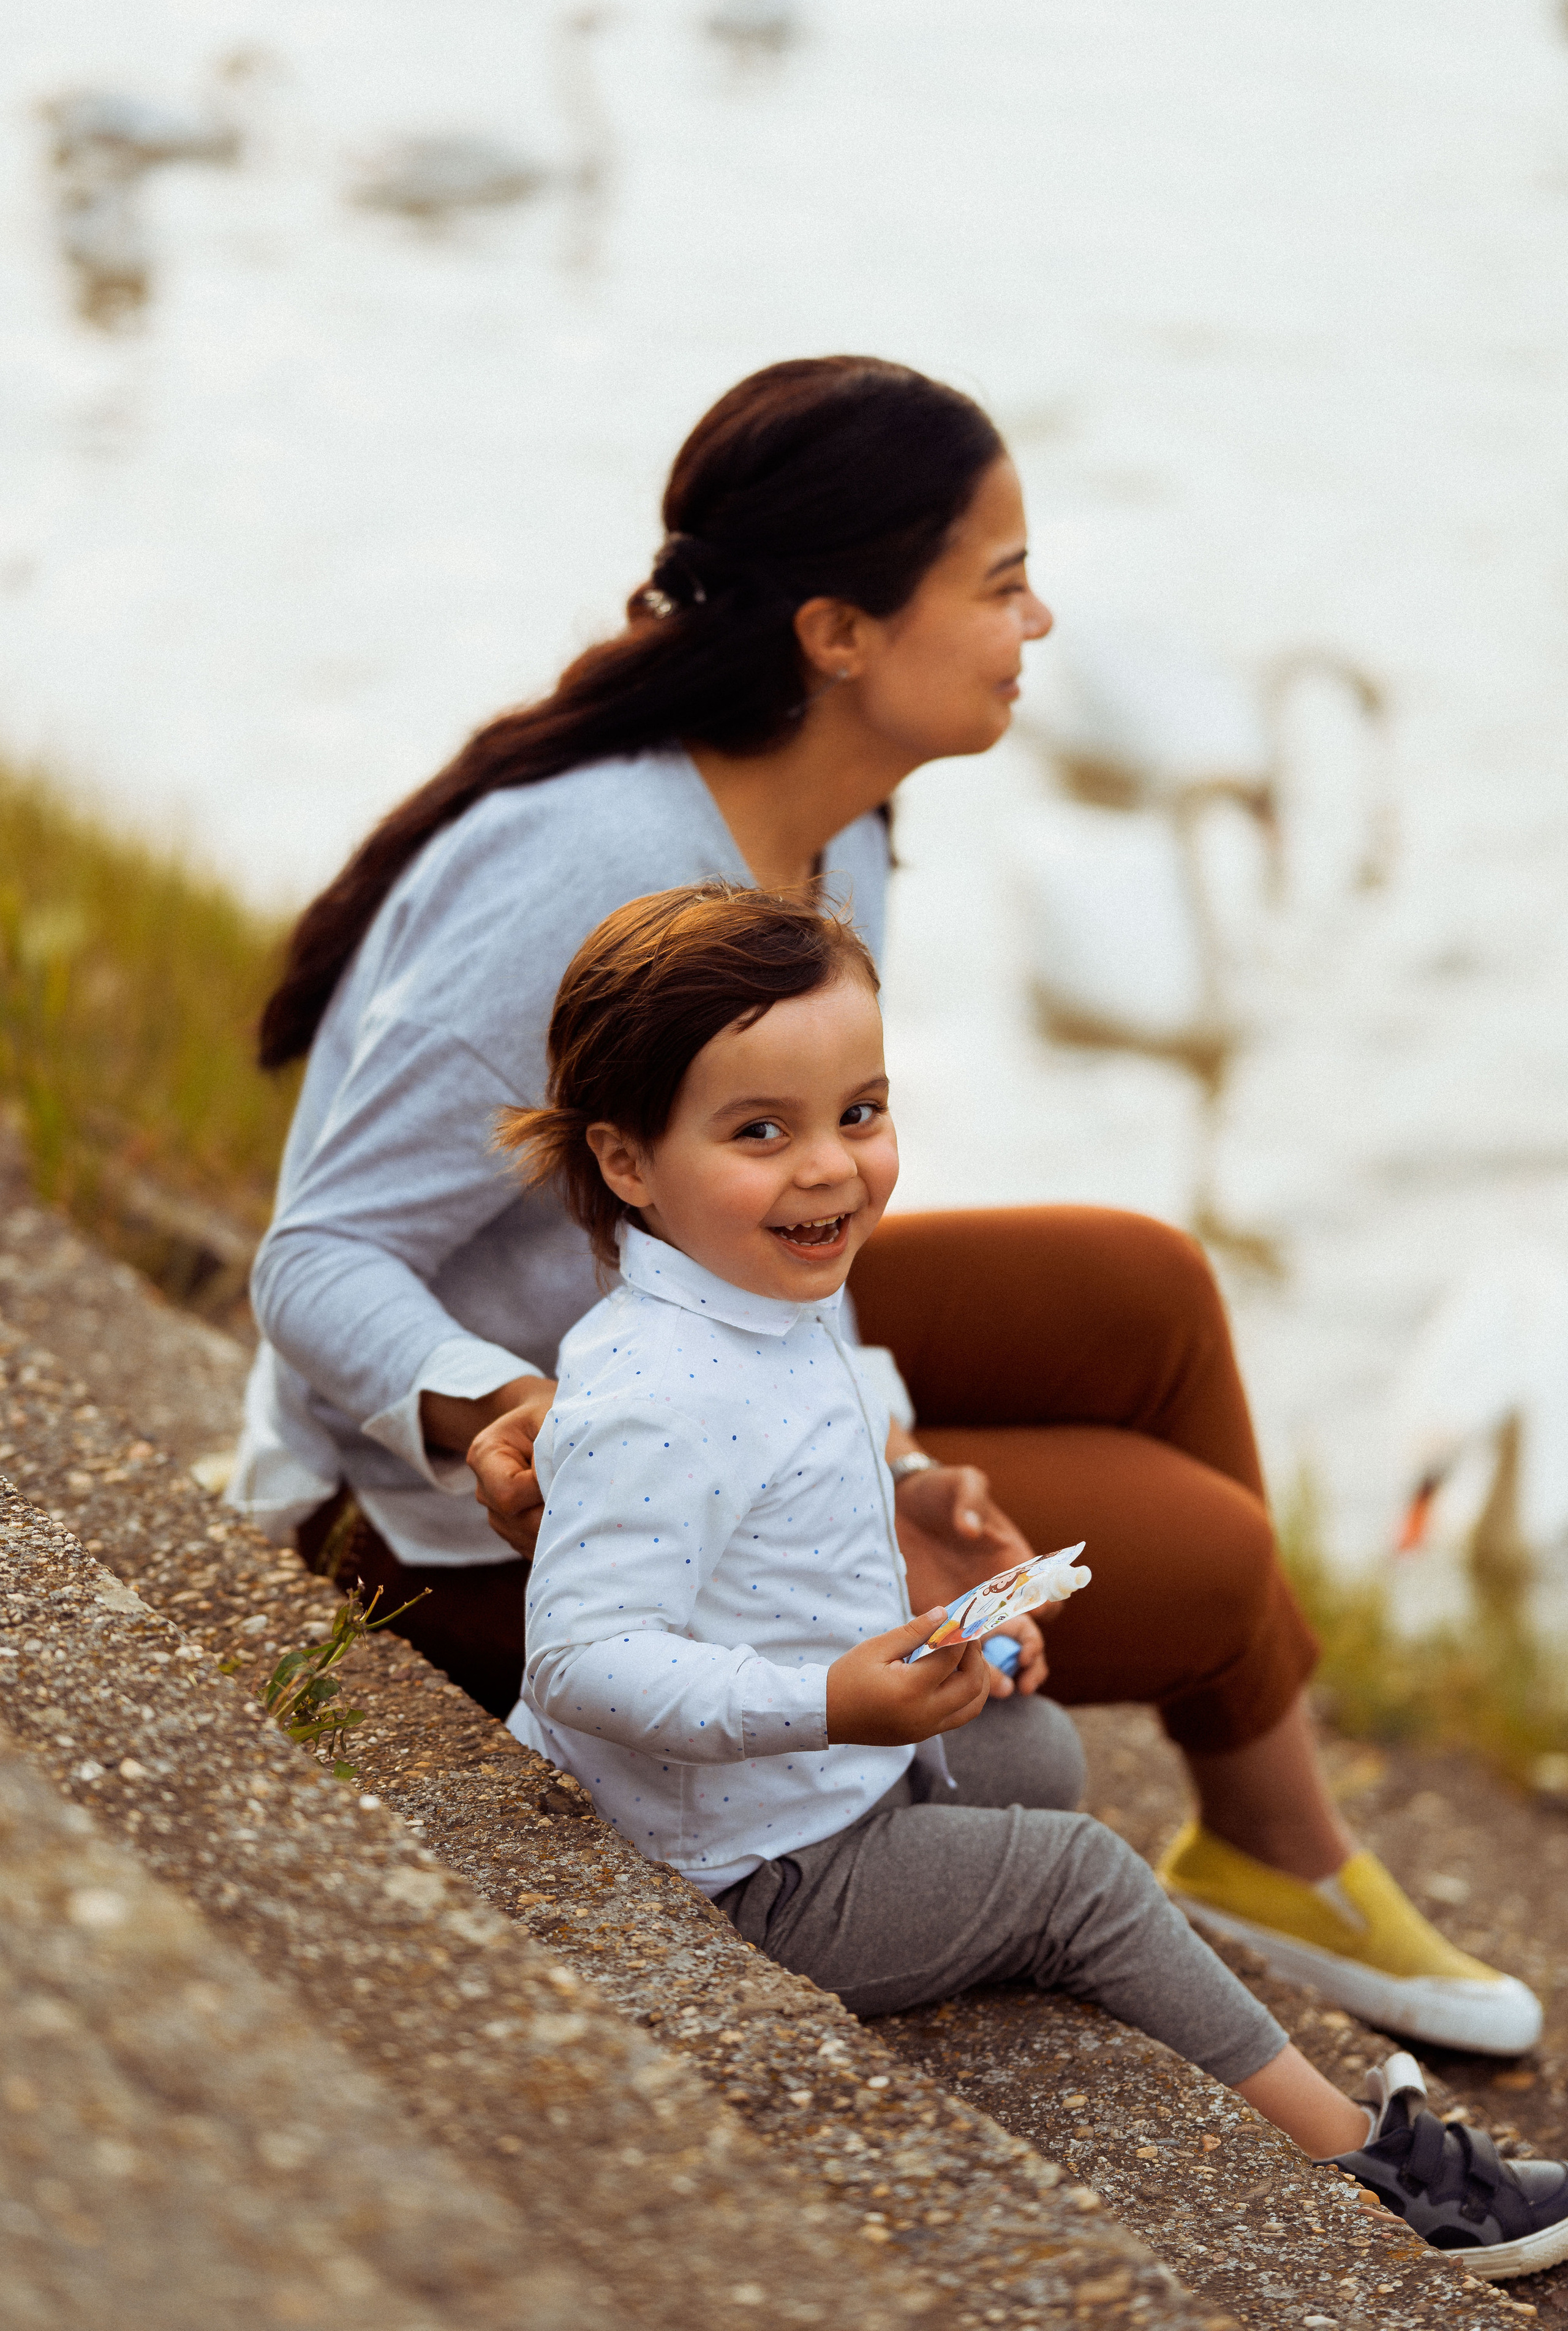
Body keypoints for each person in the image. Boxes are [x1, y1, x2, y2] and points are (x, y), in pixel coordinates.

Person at [233, 353, 1538, 2056]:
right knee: (1210, 1562)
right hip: (525, 1515)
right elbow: (318, 1251)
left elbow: (810, 1228)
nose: (1042, 622)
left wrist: (902, 1472)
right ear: (839, 630)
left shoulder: (835, 842)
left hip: (717, 1346)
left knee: (1143, 1287)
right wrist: (490, 1402)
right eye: (999, 584)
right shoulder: (581, 863)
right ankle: (1273, 1841)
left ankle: (1270, 1847)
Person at [494, 879, 1568, 2279]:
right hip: (731, 1868)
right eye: (760, 1132)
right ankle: (1381, 2176)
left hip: (788, 1790)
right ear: (627, 1162)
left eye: (859, 1114)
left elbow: (783, 1478)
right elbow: (578, 1656)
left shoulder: (758, 1289)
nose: (829, 1168)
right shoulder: (654, 1388)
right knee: (1077, 1871)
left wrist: (909, 1492)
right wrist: (831, 1699)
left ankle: (973, 1876)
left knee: (1036, 1749)